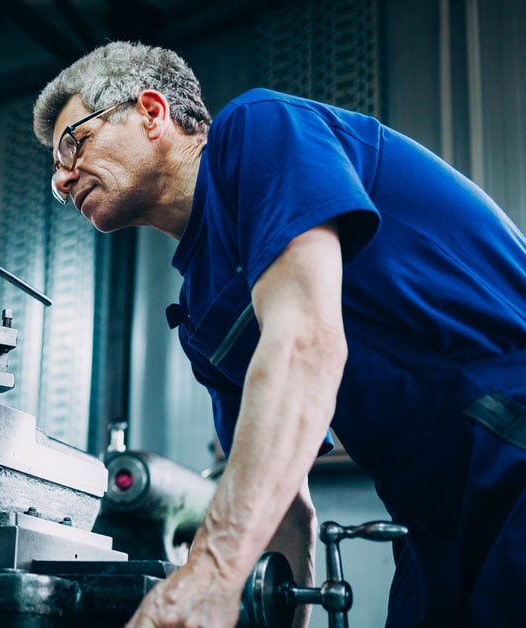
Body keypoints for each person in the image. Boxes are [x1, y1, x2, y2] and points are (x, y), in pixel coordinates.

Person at [33, 41, 526, 627]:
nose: (61, 179)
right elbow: (285, 509)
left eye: (74, 143)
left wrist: (210, 571)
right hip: (432, 522)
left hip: (510, 436)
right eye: (55, 169)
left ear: (152, 112)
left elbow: (306, 344)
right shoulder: (199, 312)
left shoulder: (261, 130)